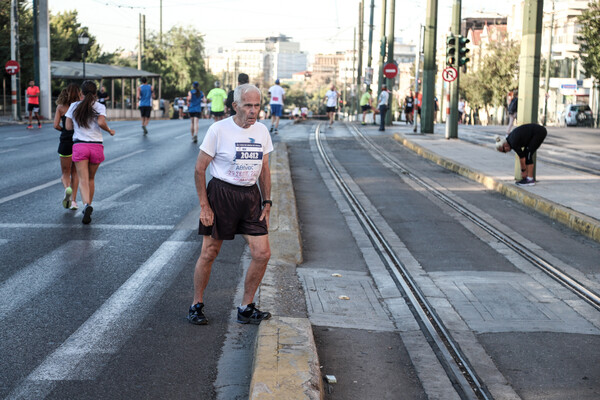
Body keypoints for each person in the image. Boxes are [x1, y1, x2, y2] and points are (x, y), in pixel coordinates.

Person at [188, 83, 273, 326]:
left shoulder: (262, 131)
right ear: (235, 106)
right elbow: (199, 168)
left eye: (257, 105)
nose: (253, 111)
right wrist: (204, 206)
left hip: (250, 197)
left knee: (262, 253)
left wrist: (267, 202)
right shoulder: (218, 130)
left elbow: (264, 169)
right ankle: (196, 304)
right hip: (222, 194)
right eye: (248, 105)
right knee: (210, 252)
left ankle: (246, 307)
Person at [65, 80, 115, 224]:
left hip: (80, 145)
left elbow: (68, 127)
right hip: (96, 146)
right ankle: (89, 205)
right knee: (91, 179)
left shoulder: (74, 106)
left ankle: (86, 204)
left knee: (83, 179)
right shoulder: (99, 106)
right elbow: (100, 122)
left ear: (81, 93)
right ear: (95, 93)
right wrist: (109, 130)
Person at [53, 83, 81, 211]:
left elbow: (55, 125)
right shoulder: (81, 107)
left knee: (65, 172)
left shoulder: (61, 107)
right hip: (78, 141)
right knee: (75, 173)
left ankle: (67, 189)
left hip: (65, 141)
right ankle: (74, 201)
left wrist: (64, 130)